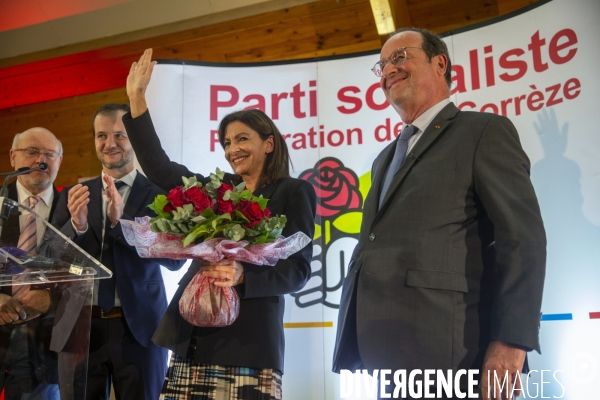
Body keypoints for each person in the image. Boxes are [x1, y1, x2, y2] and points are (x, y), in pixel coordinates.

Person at [332, 28, 546, 399]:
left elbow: (522, 238)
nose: (388, 71)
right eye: (381, 65)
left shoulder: (483, 132)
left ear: (439, 63)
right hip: (384, 354)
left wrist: (512, 340)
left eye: (399, 57)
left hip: (452, 350)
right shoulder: (385, 158)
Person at [122, 49, 316, 400]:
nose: (232, 149)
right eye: (227, 142)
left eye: (242, 139)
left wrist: (243, 275)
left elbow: (298, 270)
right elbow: (162, 170)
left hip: (249, 341)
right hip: (192, 336)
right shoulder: (219, 189)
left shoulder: (295, 191)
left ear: (268, 143)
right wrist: (136, 100)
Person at [49, 103, 185, 400]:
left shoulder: (160, 196)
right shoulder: (74, 195)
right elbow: (54, 260)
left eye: (119, 135)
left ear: (134, 139)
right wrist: (77, 226)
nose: (110, 144)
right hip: (79, 329)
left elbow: (175, 260)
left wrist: (122, 225)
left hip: (140, 329)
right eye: (101, 136)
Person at [0, 127, 63, 399]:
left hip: (43, 344)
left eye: (50, 154)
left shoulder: (73, 212)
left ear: (59, 161)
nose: (41, 160)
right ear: (13, 157)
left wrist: (52, 300)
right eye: (32, 151)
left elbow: (86, 277)